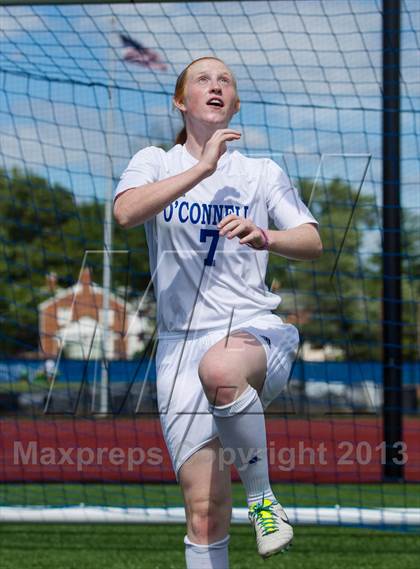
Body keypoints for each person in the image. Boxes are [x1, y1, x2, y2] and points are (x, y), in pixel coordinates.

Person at [114, 56, 322, 568]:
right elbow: (124, 211)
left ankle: (264, 500)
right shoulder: (154, 161)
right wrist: (201, 168)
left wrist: (267, 235)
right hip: (178, 345)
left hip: (252, 330)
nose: (215, 85)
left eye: (225, 80)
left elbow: (312, 239)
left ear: (235, 103)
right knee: (204, 511)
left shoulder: (260, 171)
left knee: (221, 368)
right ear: (180, 102)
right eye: (202, 79)